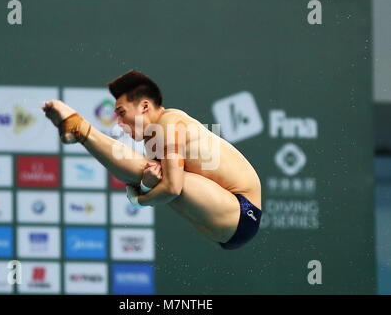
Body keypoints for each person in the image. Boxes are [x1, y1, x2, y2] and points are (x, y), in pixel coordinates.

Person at [41, 70, 262, 249]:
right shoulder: (153, 139)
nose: (119, 122)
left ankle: (79, 128)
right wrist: (143, 187)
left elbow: (173, 187)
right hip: (227, 222)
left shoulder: (169, 122)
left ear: (145, 106)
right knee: (152, 172)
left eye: (121, 112)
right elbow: (150, 182)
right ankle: (79, 129)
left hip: (242, 210)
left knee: (156, 173)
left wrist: (138, 198)